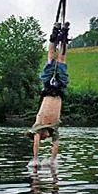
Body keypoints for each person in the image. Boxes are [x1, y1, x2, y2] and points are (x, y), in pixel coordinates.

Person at [26, 22, 70, 167]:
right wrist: (52, 161)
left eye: (41, 138)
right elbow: (55, 145)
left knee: (51, 58)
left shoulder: (38, 126)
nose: (44, 138)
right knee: (62, 60)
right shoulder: (54, 128)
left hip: (47, 87)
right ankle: (64, 36)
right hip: (59, 89)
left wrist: (35, 159)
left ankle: (54, 34)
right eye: (45, 138)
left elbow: (36, 141)